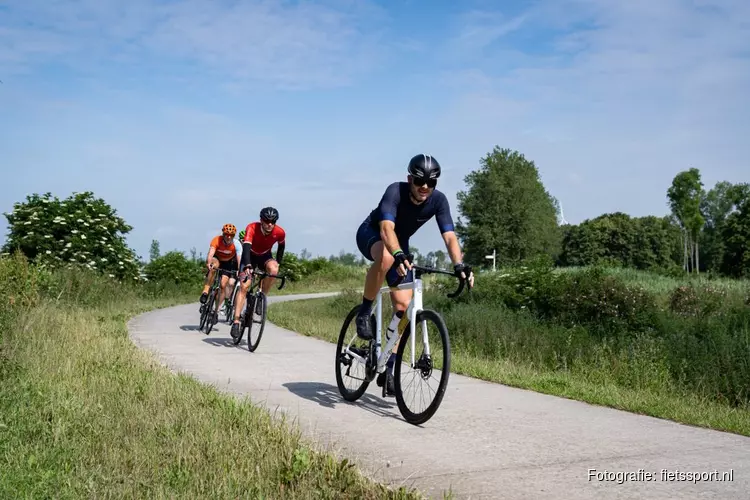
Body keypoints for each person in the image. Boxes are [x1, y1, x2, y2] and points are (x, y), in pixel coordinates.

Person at [354, 153, 475, 396]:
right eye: (420, 182)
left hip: (400, 244)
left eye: (431, 183)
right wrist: (398, 253)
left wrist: (459, 264)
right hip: (373, 234)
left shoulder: (439, 201)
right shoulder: (395, 192)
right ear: (410, 178)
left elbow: (449, 236)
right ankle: (364, 312)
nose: (425, 187)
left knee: (404, 308)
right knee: (387, 257)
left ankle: (389, 366)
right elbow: (386, 228)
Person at [230, 207, 286, 340]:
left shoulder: (280, 232)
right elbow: (246, 248)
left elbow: (281, 248)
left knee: (274, 269)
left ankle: (261, 298)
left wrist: (278, 262)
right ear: (261, 220)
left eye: (273, 222)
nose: (270, 224)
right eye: (267, 221)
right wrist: (248, 265)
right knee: (244, 286)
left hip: (264, 256)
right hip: (249, 256)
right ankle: (236, 322)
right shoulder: (252, 228)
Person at [200, 223, 241, 324]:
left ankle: (216, 310)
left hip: (228, 263)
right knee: (213, 266)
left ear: (233, 236)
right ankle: (206, 291)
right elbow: (211, 253)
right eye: (226, 234)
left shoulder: (236, 244)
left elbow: (239, 259)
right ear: (223, 234)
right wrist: (209, 263)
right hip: (217, 259)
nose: (228, 237)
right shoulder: (216, 240)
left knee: (223, 285)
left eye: (231, 235)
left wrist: (240, 271)